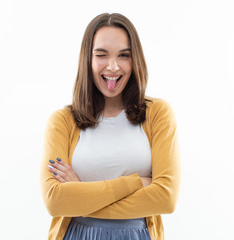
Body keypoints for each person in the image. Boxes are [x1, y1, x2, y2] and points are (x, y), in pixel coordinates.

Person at [40, 12, 181, 240]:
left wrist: (80, 195)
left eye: (124, 55)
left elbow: (166, 198)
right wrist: (136, 182)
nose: (113, 66)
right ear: (88, 59)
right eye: (101, 55)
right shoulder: (62, 121)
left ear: (135, 60)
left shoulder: (158, 114)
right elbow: (55, 201)